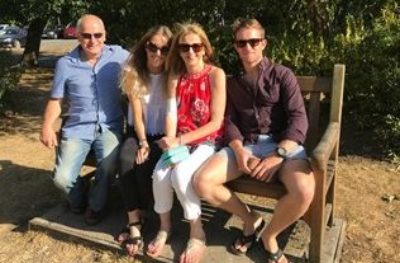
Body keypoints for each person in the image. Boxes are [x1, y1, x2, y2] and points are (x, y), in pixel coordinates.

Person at [193, 18, 315, 263]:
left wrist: (277, 156)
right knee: (202, 182)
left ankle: (270, 236)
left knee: (303, 190)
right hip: (246, 145)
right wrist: (238, 151)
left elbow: (299, 119)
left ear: (263, 44)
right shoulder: (233, 83)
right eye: (242, 42)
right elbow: (229, 121)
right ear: (236, 46)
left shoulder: (282, 75)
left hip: (284, 146)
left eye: (253, 41)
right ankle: (250, 219)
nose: (248, 47)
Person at [146, 23, 226, 263]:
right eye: (184, 47)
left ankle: (197, 232)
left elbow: (215, 123)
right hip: (181, 141)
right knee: (160, 174)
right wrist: (172, 144)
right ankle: (165, 227)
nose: (190, 52)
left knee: (181, 176)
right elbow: (171, 114)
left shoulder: (215, 75)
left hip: (208, 141)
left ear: (204, 49)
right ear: (178, 50)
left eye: (196, 46)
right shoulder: (175, 77)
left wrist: (179, 140)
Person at [40, 14, 129, 226]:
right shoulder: (65, 64)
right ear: (77, 36)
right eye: (86, 35)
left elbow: (148, 65)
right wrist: (46, 126)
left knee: (108, 167)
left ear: (105, 34)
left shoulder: (120, 55)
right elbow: (56, 100)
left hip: (110, 127)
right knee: (62, 178)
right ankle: (79, 197)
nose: (93, 40)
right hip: (77, 128)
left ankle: (96, 206)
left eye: (98, 35)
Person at [115, 25, 172, 257]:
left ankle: (145, 212)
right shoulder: (134, 71)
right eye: (152, 47)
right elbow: (137, 115)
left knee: (144, 170)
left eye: (164, 49)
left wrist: (158, 142)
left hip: (163, 135)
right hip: (140, 133)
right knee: (126, 161)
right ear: (145, 46)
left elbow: (172, 112)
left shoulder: (173, 73)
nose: (157, 53)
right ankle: (134, 223)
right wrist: (143, 142)